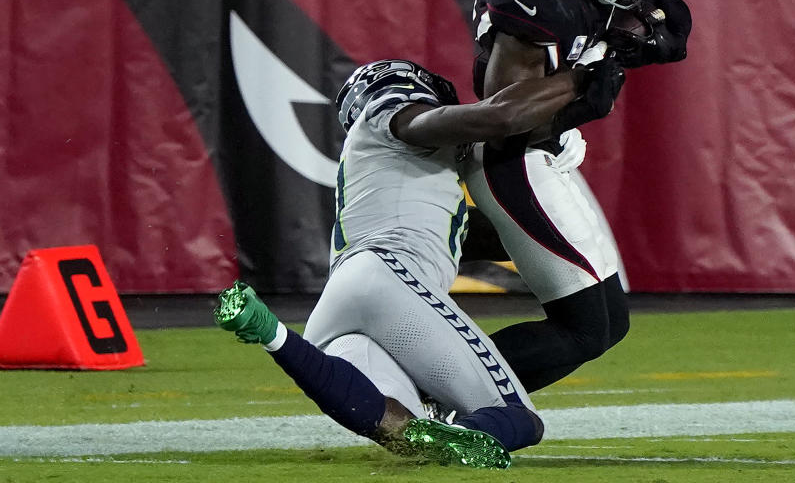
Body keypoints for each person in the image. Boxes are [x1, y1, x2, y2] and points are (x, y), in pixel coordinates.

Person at [215, 57, 624, 468]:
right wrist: (571, 99)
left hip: (342, 297)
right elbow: (484, 119)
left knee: (405, 430)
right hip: (388, 279)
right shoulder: (391, 115)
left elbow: (508, 232)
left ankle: (272, 335)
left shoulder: (403, 180)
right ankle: (467, 429)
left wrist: (547, 156)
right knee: (518, 420)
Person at [462, 0, 692, 392]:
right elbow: (504, 121)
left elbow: (670, 21)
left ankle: (445, 381)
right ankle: (435, 395)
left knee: (609, 325)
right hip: (515, 159)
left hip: (546, 153)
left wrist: (629, 42)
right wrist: (580, 97)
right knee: (584, 329)